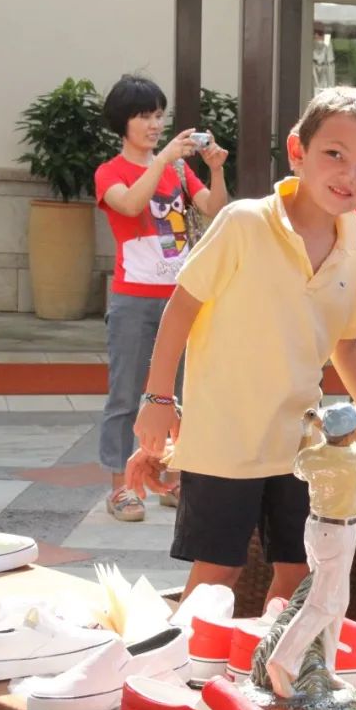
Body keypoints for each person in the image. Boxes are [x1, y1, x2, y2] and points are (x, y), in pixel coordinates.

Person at [126, 86, 356, 606]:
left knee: (298, 569)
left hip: (299, 443)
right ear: (297, 151)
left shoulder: (355, 255)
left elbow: (345, 347)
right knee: (218, 572)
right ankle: (184, 655)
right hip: (225, 440)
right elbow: (182, 308)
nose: (348, 175)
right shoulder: (244, 222)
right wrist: (157, 398)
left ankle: (273, 655)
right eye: (335, 154)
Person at [95, 74, 229, 522]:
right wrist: (166, 158)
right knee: (125, 395)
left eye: (157, 115)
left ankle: (173, 479)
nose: (154, 125)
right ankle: (121, 487)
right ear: (122, 122)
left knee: (183, 393)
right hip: (133, 299)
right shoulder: (110, 172)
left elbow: (215, 209)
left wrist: (215, 168)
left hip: (183, 297)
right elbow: (131, 204)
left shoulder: (179, 170)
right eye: (143, 116)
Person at [266, 403, 356, 698]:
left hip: (316, 529)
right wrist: (318, 425)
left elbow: (299, 463)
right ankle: (281, 661)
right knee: (322, 604)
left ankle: (326, 668)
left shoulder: (312, 457)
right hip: (338, 533)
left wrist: (308, 429)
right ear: (348, 434)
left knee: (338, 601)